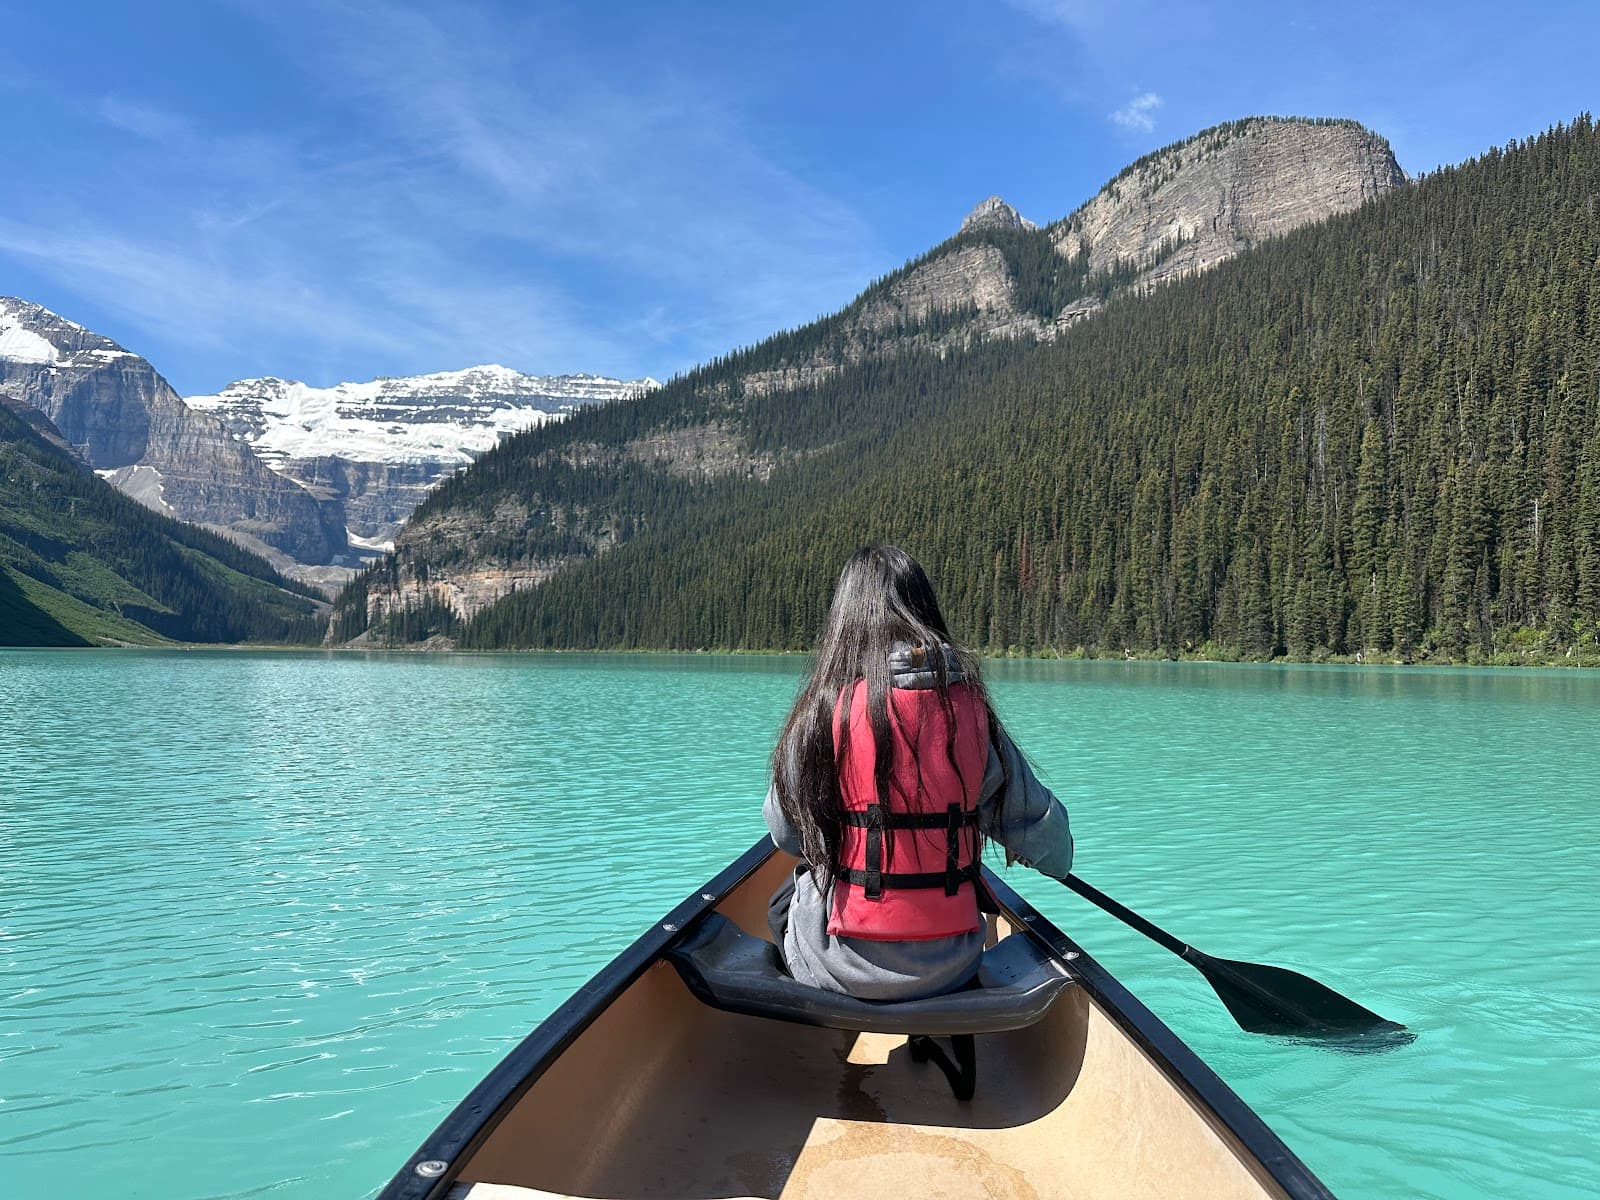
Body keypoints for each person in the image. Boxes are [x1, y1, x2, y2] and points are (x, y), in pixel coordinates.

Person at [763, 544, 1075, 1002]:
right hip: (953, 965)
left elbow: (785, 836)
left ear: (844, 622)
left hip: (841, 966)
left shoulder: (824, 710)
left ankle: (817, 1039)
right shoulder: (970, 711)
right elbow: (1056, 853)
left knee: (780, 906)